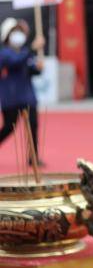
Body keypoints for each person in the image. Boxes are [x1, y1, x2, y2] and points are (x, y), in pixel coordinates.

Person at [0, 17, 44, 165]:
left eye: (20, 31)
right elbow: (15, 62)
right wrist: (32, 48)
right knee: (9, 127)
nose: (18, 34)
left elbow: (30, 69)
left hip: (28, 96)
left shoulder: (25, 52)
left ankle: (33, 157)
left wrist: (38, 68)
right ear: (7, 35)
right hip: (11, 98)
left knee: (33, 126)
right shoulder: (4, 53)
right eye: (14, 32)